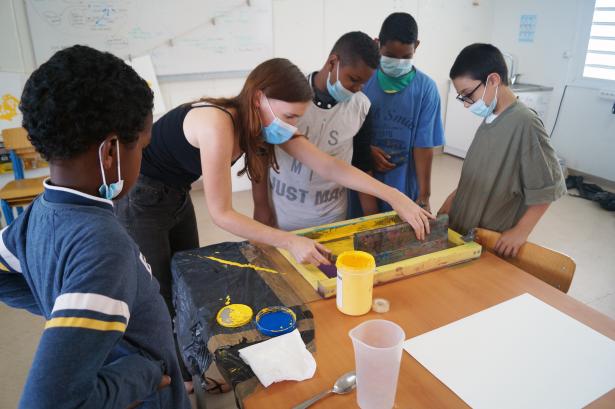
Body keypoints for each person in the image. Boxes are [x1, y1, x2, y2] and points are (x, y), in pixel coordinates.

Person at [116, 57, 433, 383]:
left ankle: (187, 364)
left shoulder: (266, 122)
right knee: (159, 294)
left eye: (298, 117)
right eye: (289, 116)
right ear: (258, 99)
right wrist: (288, 239)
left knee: (184, 275)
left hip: (176, 193)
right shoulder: (217, 124)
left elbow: (329, 166)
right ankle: (170, 379)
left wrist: (396, 197)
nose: (292, 126)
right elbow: (222, 213)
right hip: (142, 198)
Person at [0, 45, 190, 409]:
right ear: (110, 152)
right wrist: (143, 374)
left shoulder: (41, 210)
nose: (144, 158)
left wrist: (64, 310)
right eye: (143, 147)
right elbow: (46, 403)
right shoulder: (103, 245)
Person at [439, 43, 566, 257]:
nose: (467, 104)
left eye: (468, 94)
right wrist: (450, 202)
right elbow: (478, 173)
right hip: (462, 230)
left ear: (493, 80)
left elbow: (548, 187)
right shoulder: (490, 117)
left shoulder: (525, 124)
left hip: (488, 240)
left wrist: (520, 231)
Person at [252, 32, 378, 231]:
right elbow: (259, 152)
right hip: (284, 217)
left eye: (363, 83)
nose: (357, 88)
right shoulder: (290, 96)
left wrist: (372, 216)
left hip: (332, 218)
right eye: (353, 79)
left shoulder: (361, 107)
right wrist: (261, 206)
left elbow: (362, 163)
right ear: (332, 63)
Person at [349, 12, 445, 217]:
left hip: (403, 182)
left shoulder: (425, 89)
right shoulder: (363, 80)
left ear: (416, 46)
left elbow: (424, 146)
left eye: (406, 57)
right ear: (377, 44)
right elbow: (345, 131)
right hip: (363, 180)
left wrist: (424, 196)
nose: (398, 62)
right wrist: (365, 150)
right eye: (390, 56)